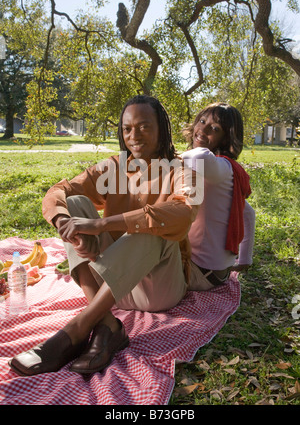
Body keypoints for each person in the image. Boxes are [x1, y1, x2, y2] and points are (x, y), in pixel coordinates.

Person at [9, 95, 199, 376]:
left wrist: (101, 225)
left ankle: (79, 326)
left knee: (153, 224)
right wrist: (70, 227)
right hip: (111, 288)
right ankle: (108, 323)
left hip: (158, 291)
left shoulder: (183, 170)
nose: (134, 136)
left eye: (144, 126)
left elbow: (184, 211)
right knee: (72, 205)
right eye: (127, 128)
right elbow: (58, 191)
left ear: (162, 130)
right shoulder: (114, 167)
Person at [182, 102, 255, 291]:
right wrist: (245, 259)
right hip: (216, 274)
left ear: (226, 138)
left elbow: (198, 158)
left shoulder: (219, 168)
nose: (202, 129)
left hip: (199, 273)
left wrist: (167, 155)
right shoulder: (224, 170)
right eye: (202, 121)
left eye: (214, 128)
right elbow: (248, 214)